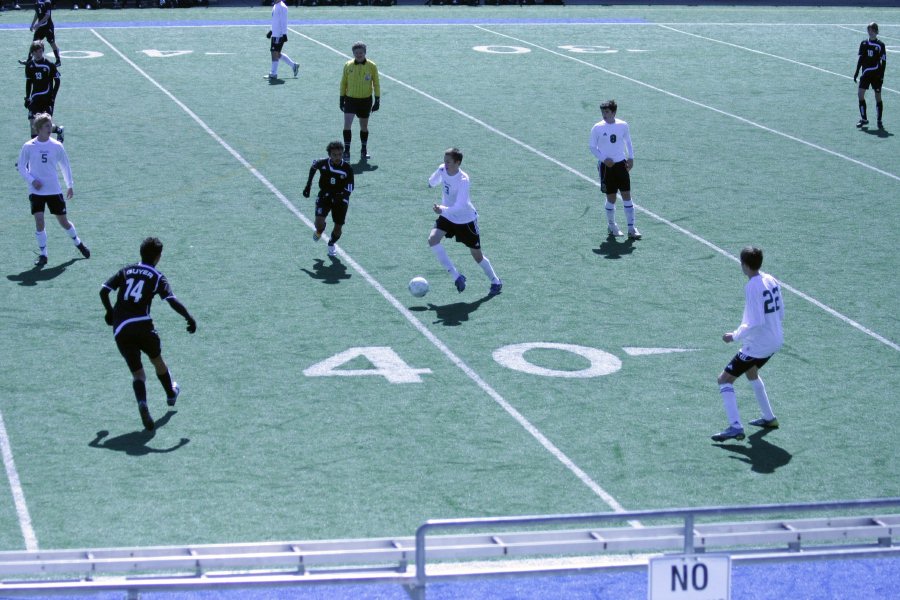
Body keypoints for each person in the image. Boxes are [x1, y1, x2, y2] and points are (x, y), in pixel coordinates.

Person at [100, 237, 197, 431]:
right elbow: (171, 300)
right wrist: (189, 317)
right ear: (158, 257)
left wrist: (110, 312)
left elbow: (103, 291)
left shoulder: (126, 271)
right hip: (143, 325)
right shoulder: (156, 276)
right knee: (157, 360)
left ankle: (143, 403)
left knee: (138, 374)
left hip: (120, 328)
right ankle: (170, 393)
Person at [711, 246, 785, 442]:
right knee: (751, 372)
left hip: (758, 345)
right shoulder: (771, 279)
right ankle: (769, 418)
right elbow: (781, 311)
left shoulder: (752, 286)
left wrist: (733, 336)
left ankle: (735, 427)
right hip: (775, 340)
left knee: (724, 380)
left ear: (744, 265)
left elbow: (755, 322)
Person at [427, 148, 502, 296]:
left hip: (465, 219)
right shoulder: (443, 169)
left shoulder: (463, 180)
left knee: (477, 256)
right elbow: (433, 180)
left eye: (448, 161)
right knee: (432, 240)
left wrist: (442, 209)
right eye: (445, 160)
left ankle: (495, 281)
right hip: (448, 216)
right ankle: (456, 276)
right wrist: (432, 182)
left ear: (458, 162)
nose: (445, 163)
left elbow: (460, 206)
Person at [17, 113, 87, 267]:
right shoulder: (29, 146)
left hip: (54, 190)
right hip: (36, 192)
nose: (51, 128)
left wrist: (70, 185)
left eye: (51, 125)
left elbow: (65, 165)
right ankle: (43, 254)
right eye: (47, 126)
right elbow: (21, 166)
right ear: (39, 128)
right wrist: (32, 180)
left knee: (64, 222)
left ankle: (78, 243)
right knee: (40, 221)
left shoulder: (56, 146)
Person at [588, 99, 641, 240]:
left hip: (620, 165)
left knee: (627, 196)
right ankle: (612, 225)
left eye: (607, 112)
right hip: (606, 167)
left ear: (613, 112)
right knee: (611, 197)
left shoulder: (623, 125)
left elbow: (628, 142)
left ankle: (631, 228)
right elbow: (592, 147)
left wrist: (631, 158)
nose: (604, 114)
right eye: (602, 112)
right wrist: (604, 159)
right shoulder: (597, 128)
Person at [303, 141, 354, 257]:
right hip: (324, 196)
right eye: (334, 155)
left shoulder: (347, 169)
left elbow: (350, 187)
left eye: (340, 154)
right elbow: (313, 167)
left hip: (340, 200)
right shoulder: (323, 163)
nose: (337, 157)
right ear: (329, 154)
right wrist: (308, 185)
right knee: (318, 224)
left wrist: (341, 197)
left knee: (338, 229)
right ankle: (320, 231)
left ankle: (331, 243)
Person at [340, 42, 380, 161]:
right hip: (350, 99)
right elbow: (343, 83)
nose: (359, 55)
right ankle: (346, 151)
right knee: (347, 125)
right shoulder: (348, 65)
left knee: (364, 126)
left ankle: (364, 149)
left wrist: (377, 99)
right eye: (356, 53)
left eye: (361, 52)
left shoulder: (372, 66)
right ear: (353, 53)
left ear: (365, 53)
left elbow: (376, 83)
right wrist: (341, 98)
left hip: (365, 100)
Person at [24, 41, 64, 141]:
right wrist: (27, 97)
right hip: (35, 99)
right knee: (34, 125)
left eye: (41, 51)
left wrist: (53, 98)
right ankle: (35, 147)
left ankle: (58, 130)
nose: (39, 54)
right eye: (36, 52)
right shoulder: (29, 66)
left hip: (47, 100)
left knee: (45, 126)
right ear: (32, 52)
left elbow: (57, 81)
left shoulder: (49, 65)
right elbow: (29, 82)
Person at [854, 22, 886, 129]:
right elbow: (861, 59)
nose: (870, 31)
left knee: (878, 97)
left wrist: (882, 75)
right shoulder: (864, 43)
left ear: (876, 31)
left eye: (872, 30)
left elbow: (883, 62)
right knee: (860, 94)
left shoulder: (880, 45)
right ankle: (864, 119)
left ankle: (879, 120)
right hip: (865, 74)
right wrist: (857, 71)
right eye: (869, 29)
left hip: (876, 74)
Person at [20, 0, 60, 67]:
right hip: (40, 27)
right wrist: (32, 24)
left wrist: (38, 24)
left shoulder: (47, 2)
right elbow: (37, 14)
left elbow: (47, 15)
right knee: (34, 43)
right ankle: (29, 60)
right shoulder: (37, 2)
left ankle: (58, 61)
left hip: (48, 27)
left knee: (52, 43)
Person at [265, 0, 298, 81]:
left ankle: (273, 73)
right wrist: (271, 31)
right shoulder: (275, 5)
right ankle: (294, 65)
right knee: (277, 53)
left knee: (274, 53)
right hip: (275, 33)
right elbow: (275, 21)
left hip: (279, 35)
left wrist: (284, 34)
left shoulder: (283, 7)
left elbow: (284, 22)